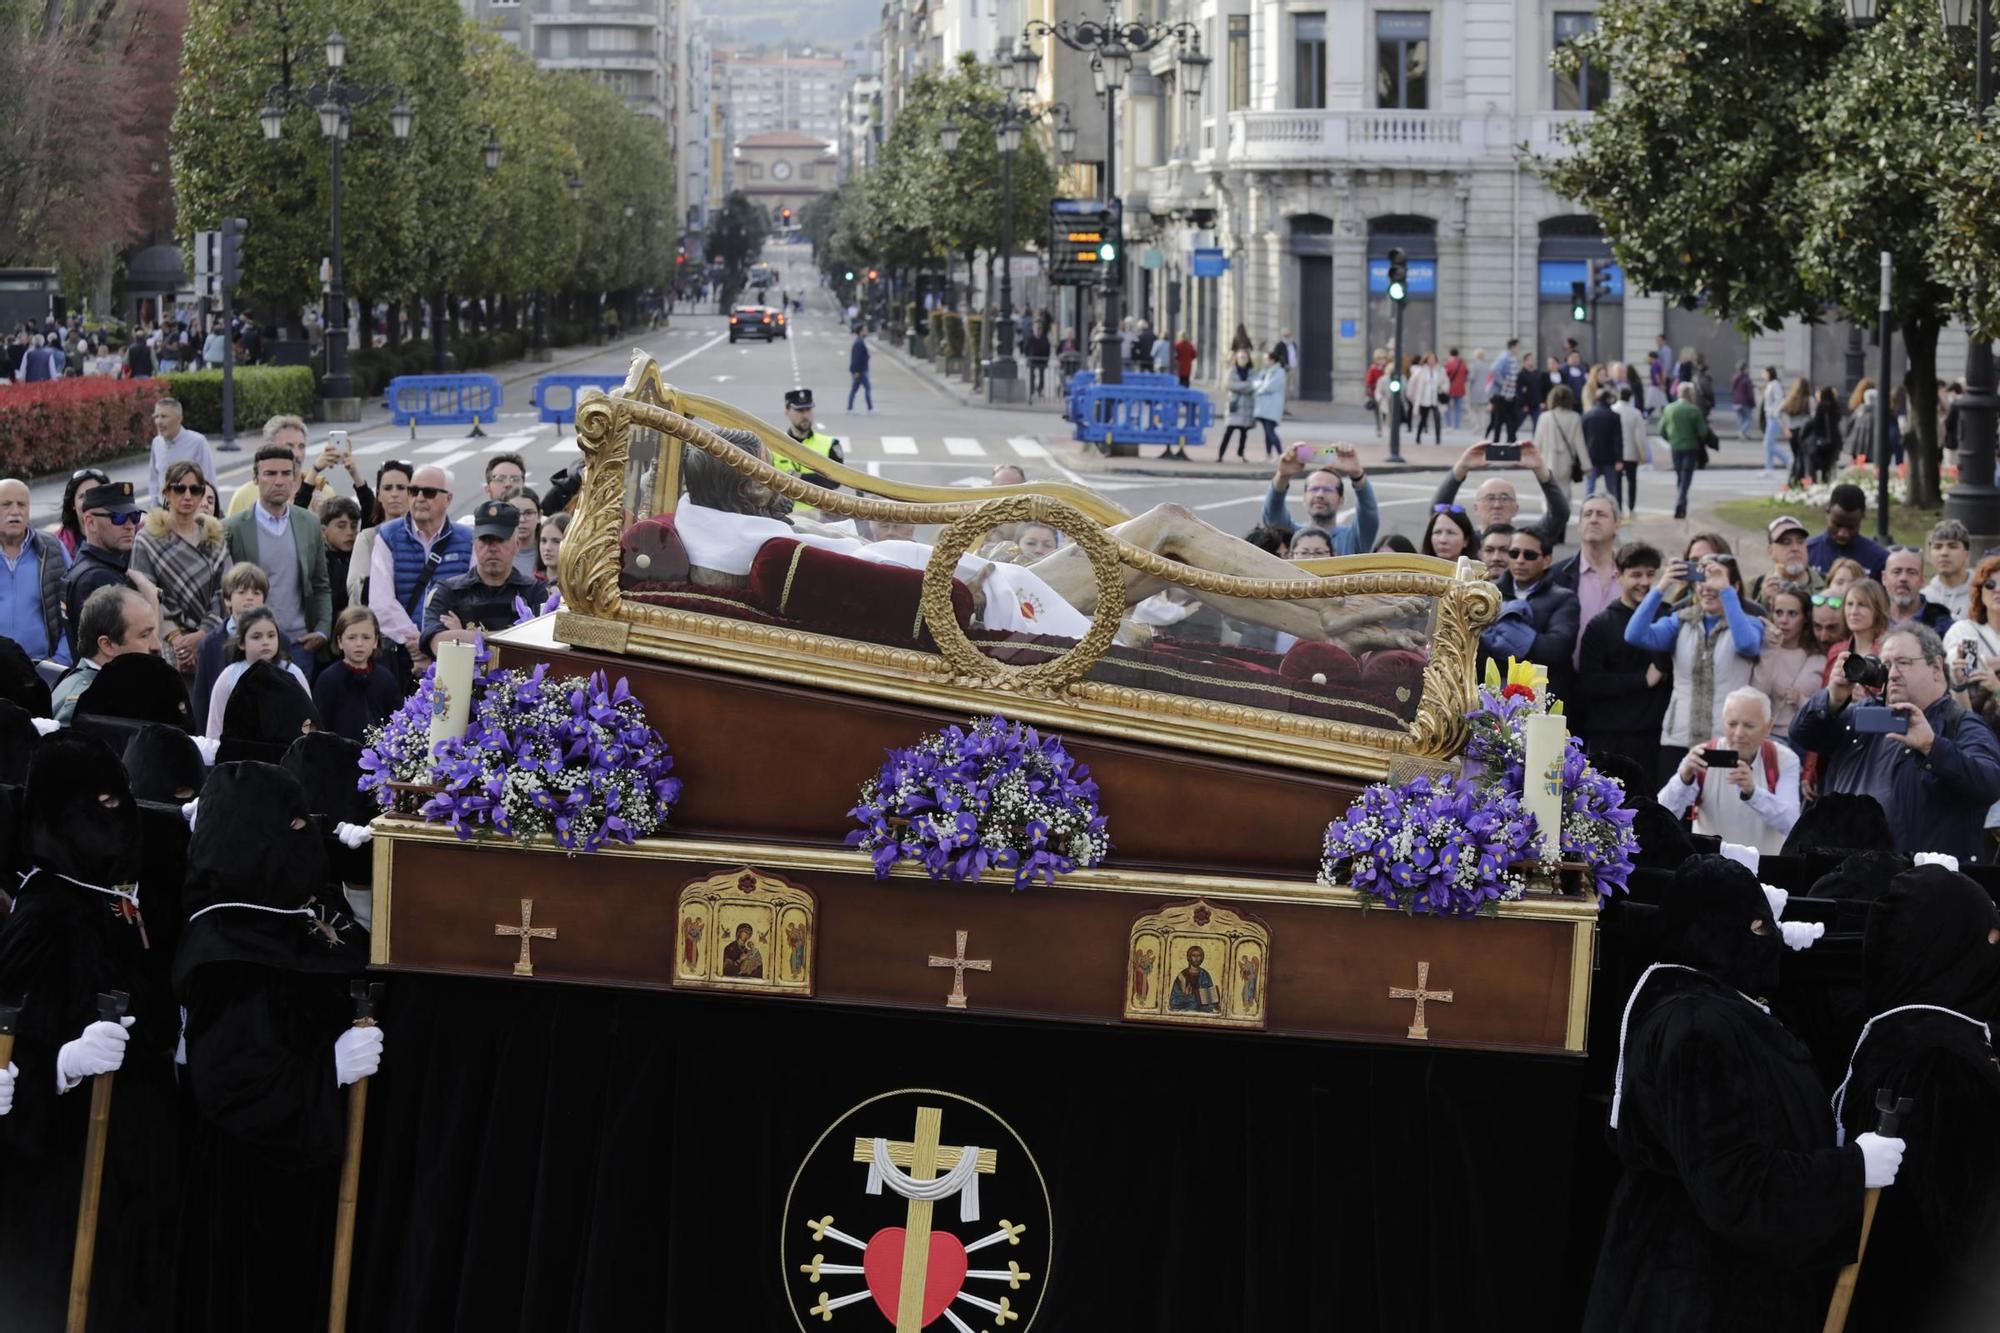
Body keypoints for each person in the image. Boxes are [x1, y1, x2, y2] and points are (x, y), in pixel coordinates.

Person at [1583, 853, 1893, 1333]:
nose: (1768, 941)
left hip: (1702, 1275)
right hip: (1697, 1290)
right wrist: (1850, 1170)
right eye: (1756, 928)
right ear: (1716, 933)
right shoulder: (1697, 1025)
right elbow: (1731, 1180)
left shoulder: (1698, 1003)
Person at [172, 761, 373, 1332]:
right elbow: (227, 1082)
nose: (305, 835)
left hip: (307, 1170)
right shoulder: (222, 945)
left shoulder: (291, 910)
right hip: (251, 1184)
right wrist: (324, 1071)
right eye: (290, 825)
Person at [0, 734, 180, 1329]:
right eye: (103, 803)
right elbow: (8, 1031)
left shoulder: (120, 902)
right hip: (67, 1154)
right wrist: (61, 1062)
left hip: (136, 1145)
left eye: (123, 798)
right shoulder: (45, 908)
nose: (122, 817)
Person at [1830, 863, 2000, 1332]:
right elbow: (1970, 1216)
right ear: (1949, 948)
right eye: (1988, 935)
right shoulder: (1939, 1059)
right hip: (1934, 1298)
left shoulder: (1901, 1030)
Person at [1792, 624, 2000, 863]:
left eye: (1903, 662)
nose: (1892, 674)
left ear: (1936, 668)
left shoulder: (1960, 724)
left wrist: (1933, 747)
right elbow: (1802, 735)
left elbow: (1990, 783)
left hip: (1921, 881)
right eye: (1887, 664)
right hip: (1846, 874)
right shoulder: (1859, 716)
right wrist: (1832, 698)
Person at [1626, 551, 1764, 782]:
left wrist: (1726, 591)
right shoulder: (1681, 621)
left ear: (1735, 586)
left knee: (1717, 812)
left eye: (1716, 579)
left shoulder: (1748, 623)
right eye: (1703, 580)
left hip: (1726, 740)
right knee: (1673, 813)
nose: (1708, 587)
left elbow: (1747, 644)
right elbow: (1634, 635)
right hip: (1678, 738)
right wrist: (1662, 587)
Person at [225, 443, 331, 674]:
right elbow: (223, 591)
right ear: (255, 478)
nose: (279, 481)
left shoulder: (309, 523)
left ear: (295, 479)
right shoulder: (233, 528)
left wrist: (323, 630)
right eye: (270, 474)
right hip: (251, 646)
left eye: (286, 474)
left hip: (299, 646)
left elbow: (321, 583)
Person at [1657, 687, 1802, 853]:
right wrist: (1684, 779)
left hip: (1764, 869)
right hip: (1712, 868)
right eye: (1732, 724)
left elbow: (1792, 824)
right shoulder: (1702, 756)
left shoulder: (1784, 759)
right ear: (1722, 722)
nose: (1738, 733)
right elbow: (1661, 815)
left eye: (1749, 725)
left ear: (1768, 727)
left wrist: (1753, 793)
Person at [1576, 542, 1670, 778]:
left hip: (1655, 736)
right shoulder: (1601, 625)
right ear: (1618, 576)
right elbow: (1591, 682)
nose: (1645, 582)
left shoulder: (1667, 617)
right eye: (1636, 575)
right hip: (1611, 737)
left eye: (1650, 575)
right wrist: (1642, 680)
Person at [368, 463, 470, 673]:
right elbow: (381, 601)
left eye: (429, 492)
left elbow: (473, 597)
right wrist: (418, 642)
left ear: (448, 499)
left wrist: (435, 640)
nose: (420, 498)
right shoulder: (388, 536)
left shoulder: (468, 539)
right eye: (414, 491)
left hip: (452, 652)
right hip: (403, 654)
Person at [132, 459, 228, 682]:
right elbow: (146, 595)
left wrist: (202, 635)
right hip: (166, 642)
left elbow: (223, 592)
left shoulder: (215, 538)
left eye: (195, 490)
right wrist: (177, 639)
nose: (187, 496)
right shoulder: (147, 540)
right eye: (179, 488)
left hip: (212, 637)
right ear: (166, 492)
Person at [419, 500, 551, 657]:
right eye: (486, 540)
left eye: (500, 540)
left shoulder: (534, 591)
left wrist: (464, 635)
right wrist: (516, 637)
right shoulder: (447, 591)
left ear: (516, 544)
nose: (493, 548)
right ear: (475, 544)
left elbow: (541, 644)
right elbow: (438, 644)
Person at [1480, 526, 1580, 694]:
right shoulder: (1489, 592)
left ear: (1547, 560)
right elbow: (1477, 649)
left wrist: (1511, 637)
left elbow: (1558, 650)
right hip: (1493, 692)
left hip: (1543, 694)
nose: (1520, 560)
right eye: (1513, 553)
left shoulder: (1564, 598)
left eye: (1530, 555)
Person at [61, 479, 156, 653]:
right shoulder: (97, 579)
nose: (130, 526)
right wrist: (151, 597)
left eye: (134, 517)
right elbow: (144, 648)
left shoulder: (88, 567)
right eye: (118, 518)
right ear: (90, 523)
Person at [49, 586, 160, 724]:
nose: (157, 645)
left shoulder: (111, 690)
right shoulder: (87, 707)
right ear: (107, 645)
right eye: (144, 635)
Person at [1432, 441, 1571, 548]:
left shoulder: (1525, 541)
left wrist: (1540, 469)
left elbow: (1559, 515)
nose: (1497, 505)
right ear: (1475, 508)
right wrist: (1462, 467)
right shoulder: (1466, 541)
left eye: (1505, 499)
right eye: (1489, 499)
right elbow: (1438, 511)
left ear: (1516, 508)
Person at [206, 606, 312, 741]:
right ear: (241, 643)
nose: (265, 642)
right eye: (257, 637)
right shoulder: (229, 676)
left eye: (271, 635)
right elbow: (215, 729)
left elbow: (309, 723)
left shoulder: (293, 673)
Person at [0, 476, 69, 664]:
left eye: (21, 504)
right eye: (6, 504)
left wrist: (59, 661)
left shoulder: (52, 549)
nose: (15, 511)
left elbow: (73, 608)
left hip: (42, 669)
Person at [1259, 445, 1378, 554]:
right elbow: (1273, 516)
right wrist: (1283, 475)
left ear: (1341, 500)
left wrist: (1357, 475)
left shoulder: (1354, 538)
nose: (1319, 495)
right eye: (1314, 489)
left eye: (1328, 489)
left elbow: (1369, 512)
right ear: (1304, 499)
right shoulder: (1291, 535)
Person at [1550, 494, 1622, 667]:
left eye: (1601, 514)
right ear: (1579, 524)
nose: (1594, 520)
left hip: (1619, 680)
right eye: (1588, 514)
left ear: (1617, 526)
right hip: (1570, 679)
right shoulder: (1557, 575)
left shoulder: (1630, 575)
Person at [312, 605, 401, 742]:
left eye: (366, 637)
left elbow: (396, 721)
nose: (359, 643)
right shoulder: (328, 679)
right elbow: (321, 725)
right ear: (340, 641)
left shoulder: (385, 678)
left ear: (375, 641)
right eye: (352, 637)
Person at [1751, 585, 1824, 738]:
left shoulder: (1817, 658)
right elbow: (1756, 693)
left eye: (1792, 614)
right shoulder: (1764, 649)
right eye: (1779, 613)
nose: (1783, 620)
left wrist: (1801, 699)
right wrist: (1770, 649)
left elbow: (1824, 710)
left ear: (1805, 618)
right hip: (1765, 736)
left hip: (1801, 737)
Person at [1820, 577, 1893, 687]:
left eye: (1862, 605)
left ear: (1877, 610)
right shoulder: (1836, 651)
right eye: (1849, 604)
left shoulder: (1888, 651)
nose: (1853, 612)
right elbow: (1825, 698)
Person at [1807, 483, 1889, 580]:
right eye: (1837, 525)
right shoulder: (1807, 552)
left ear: (1862, 517)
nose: (1843, 534)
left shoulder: (1879, 558)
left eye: (1851, 527)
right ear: (1827, 512)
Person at [146, 397, 217, 504]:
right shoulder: (157, 443)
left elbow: (209, 480)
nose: (159, 422)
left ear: (179, 418)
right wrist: (154, 505)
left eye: (164, 416)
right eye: (156, 416)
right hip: (164, 511)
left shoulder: (198, 442)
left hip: (190, 511)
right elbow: (154, 479)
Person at [1658, 383, 1707, 519]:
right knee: (1686, 477)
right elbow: (1702, 432)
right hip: (1690, 447)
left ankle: (1682, 505)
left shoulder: (1669, 409)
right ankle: (1680, 504)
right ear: (1691, 395)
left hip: (1676, 447)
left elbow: (1661, 429)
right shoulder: (1694, 410)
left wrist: (1672, 439)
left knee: (1680, 476)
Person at [1881, 546, 1951, 635]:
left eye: (1912, 572)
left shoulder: (1943, 626)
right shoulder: (1870, 622)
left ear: (1922, 580)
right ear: (1884, 578)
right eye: (1896, 572)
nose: (1903, 578)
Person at [1533, 383, 1586, 497]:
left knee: (1547, 493)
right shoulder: (1575, 417)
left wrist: (1534, 463)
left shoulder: (1544, 417)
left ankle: (1549, 513)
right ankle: (1564, 514)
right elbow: (1579, 443)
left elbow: (1537, 444)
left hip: (1547, 461)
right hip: (1567, 463)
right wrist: (1587, 466)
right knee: (1565, 491)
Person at [1756, 515, 1822, 605]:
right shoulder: (1754, 588)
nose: (1795, 548)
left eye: (1800, 542)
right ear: (1770, 551)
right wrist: (1764, 602)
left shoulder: (1828, 584)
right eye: (1786, 542)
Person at [319, 496, 361, 618]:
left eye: (353, 526)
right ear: (323, 530)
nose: (349, 532)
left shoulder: (359, 558)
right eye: (341, 526)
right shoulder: (318, 561)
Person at [1923, 518, 1973, 619]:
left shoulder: (1985, 594)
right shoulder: (1924, 598)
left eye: (1952, 546)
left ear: (1967, 554)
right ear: (1929, 555)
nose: (1944, 553)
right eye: (1937, 547)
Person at [1580, 390, 1623, 506]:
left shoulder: (1587, 415)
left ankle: (1585, 509)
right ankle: (1615, 511)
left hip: (1591, 456)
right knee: (1611, 489)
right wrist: (1619, 459)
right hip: (1609, 457)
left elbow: (1582, 438)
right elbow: (1618, 440)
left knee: (1590, 487)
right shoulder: (1614, 416)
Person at [1218, 349, 1256, 460]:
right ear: (1236, 359)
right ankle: (1221, 454)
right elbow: (1230, 385)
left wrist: (1240, 386)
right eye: (1240, 358)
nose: (1242, 360)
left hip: (1247, 407)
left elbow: (1253, 386)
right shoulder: (1232, 371)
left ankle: (1241, 454)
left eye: (1245, 358)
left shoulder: (1251, 372)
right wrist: (1245, 386)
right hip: (1235, 405)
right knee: (1228, 432)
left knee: (1244, 433)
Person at [1486, 338, 1524, 441]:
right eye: (1518, 347)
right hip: (1502, 394)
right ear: (1512, 347)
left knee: (1510, 420)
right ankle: (1497, 441)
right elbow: (1494, 370)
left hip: (1510, 394)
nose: (1519, 349)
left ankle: (1510, 440)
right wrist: (1502, 382)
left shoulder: (1512, 358)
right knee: (1499, 420)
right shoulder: (1504, 357)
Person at [1251, 350, 1287, 458]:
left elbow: (1270, 386)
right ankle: (1268, 454)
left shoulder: (1279, 372)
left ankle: (1281, 454)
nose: (1264, 362)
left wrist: (1260, 388)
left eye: (1266, 359)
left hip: (1272, 406)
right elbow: (1255, 382)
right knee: (1266, 433)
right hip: (1262, 407)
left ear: (1272, 360)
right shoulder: (1264, 371)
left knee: (1270, 431)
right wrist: (1260, 386)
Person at [536, 512, 570, 581]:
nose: (547, 548)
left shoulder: (581, 587)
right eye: (543, 541)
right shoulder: (531, 585)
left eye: (556, 541)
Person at [847, 326, 873, 412]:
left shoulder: (860, 342)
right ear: (860, 332)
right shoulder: (859, 343)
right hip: (861, 371)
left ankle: (850, 408)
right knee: (867, 388)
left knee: (854, 389)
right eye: (865, 330)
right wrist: (857, 371)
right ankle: (870, 408)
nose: (867, 332)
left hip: (860, 370)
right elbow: (856, 358)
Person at [1443, 346, 1468, 430]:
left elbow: (1444, 375)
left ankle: (1449, 424)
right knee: (1458, 407)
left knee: (1447, 406)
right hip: (1460, 388)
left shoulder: (1448, 364)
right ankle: (1457, 424)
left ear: (1450, 354)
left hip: (1450, 388)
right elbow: (1466, 374)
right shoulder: (1462, 363)